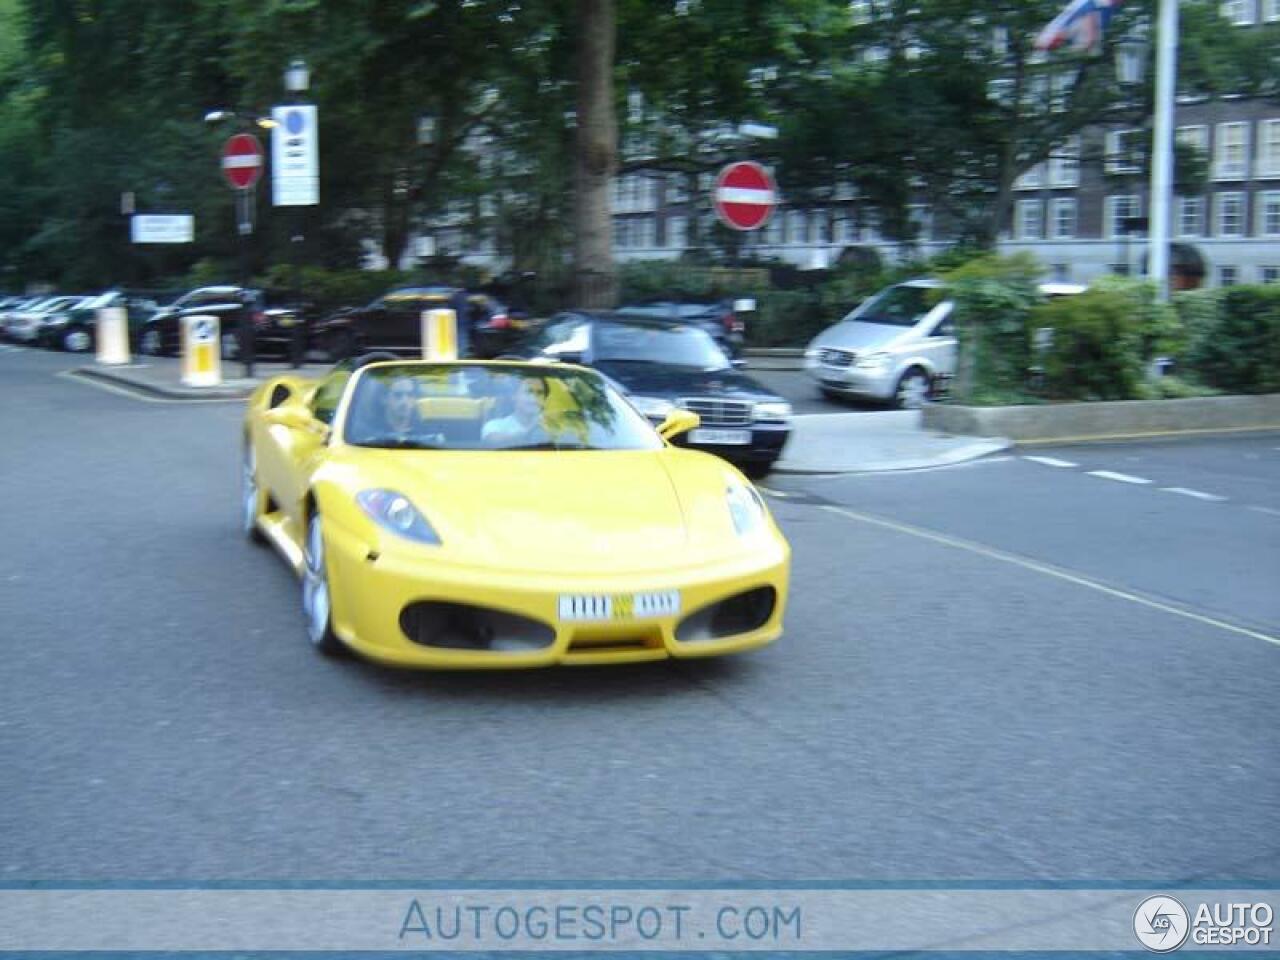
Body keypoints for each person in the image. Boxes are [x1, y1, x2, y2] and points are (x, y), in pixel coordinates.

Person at [482, 376, 550, 446]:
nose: (534, 398)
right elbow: (493, 442)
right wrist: (532, 428)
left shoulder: (554, 427)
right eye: (528, 392)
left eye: (540, 393)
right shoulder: (495, 425)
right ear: (514, 396)